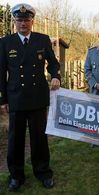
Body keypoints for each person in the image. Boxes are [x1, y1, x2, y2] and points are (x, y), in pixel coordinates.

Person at [0, 3, 61, 191]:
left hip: (37, 98)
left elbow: (53, 63)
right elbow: (1, 73)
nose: (23, 23)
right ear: (14, 22)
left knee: (39, 139)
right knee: (15, 140)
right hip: (16, 98)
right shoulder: (5, 42)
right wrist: (2, 100)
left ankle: (43, 172)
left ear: (32, 21)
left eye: (26, 20)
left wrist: (56, 76)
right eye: (19, 20)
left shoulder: (42, 40)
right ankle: (16, 176)